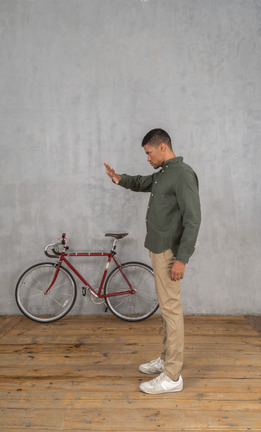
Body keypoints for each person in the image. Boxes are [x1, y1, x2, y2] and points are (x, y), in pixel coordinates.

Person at [104, 128, 201, 394]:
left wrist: (182, 258)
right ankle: (166, 359)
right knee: (166, 309)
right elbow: (142, 182)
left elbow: (193, 220)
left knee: (171, 310)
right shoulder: (165, 174)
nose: (147, 158)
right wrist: (118, 178)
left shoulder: (182, 174)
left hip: (170, 253)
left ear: (162, 147)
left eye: (149, 153)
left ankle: (172, 376)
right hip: (159, 250)